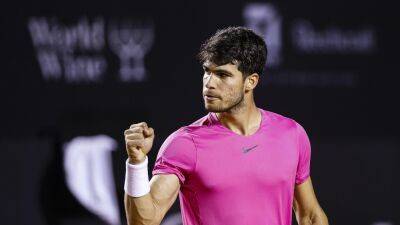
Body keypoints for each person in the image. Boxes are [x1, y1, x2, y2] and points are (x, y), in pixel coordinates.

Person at [123, 26, 329, 225]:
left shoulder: (291, 134)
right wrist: (137, 163)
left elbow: (310, 216)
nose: (209, 83)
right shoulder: (184, 144)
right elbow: (143, 222)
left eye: (222, 75)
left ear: (251, 81)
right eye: (206, 71)